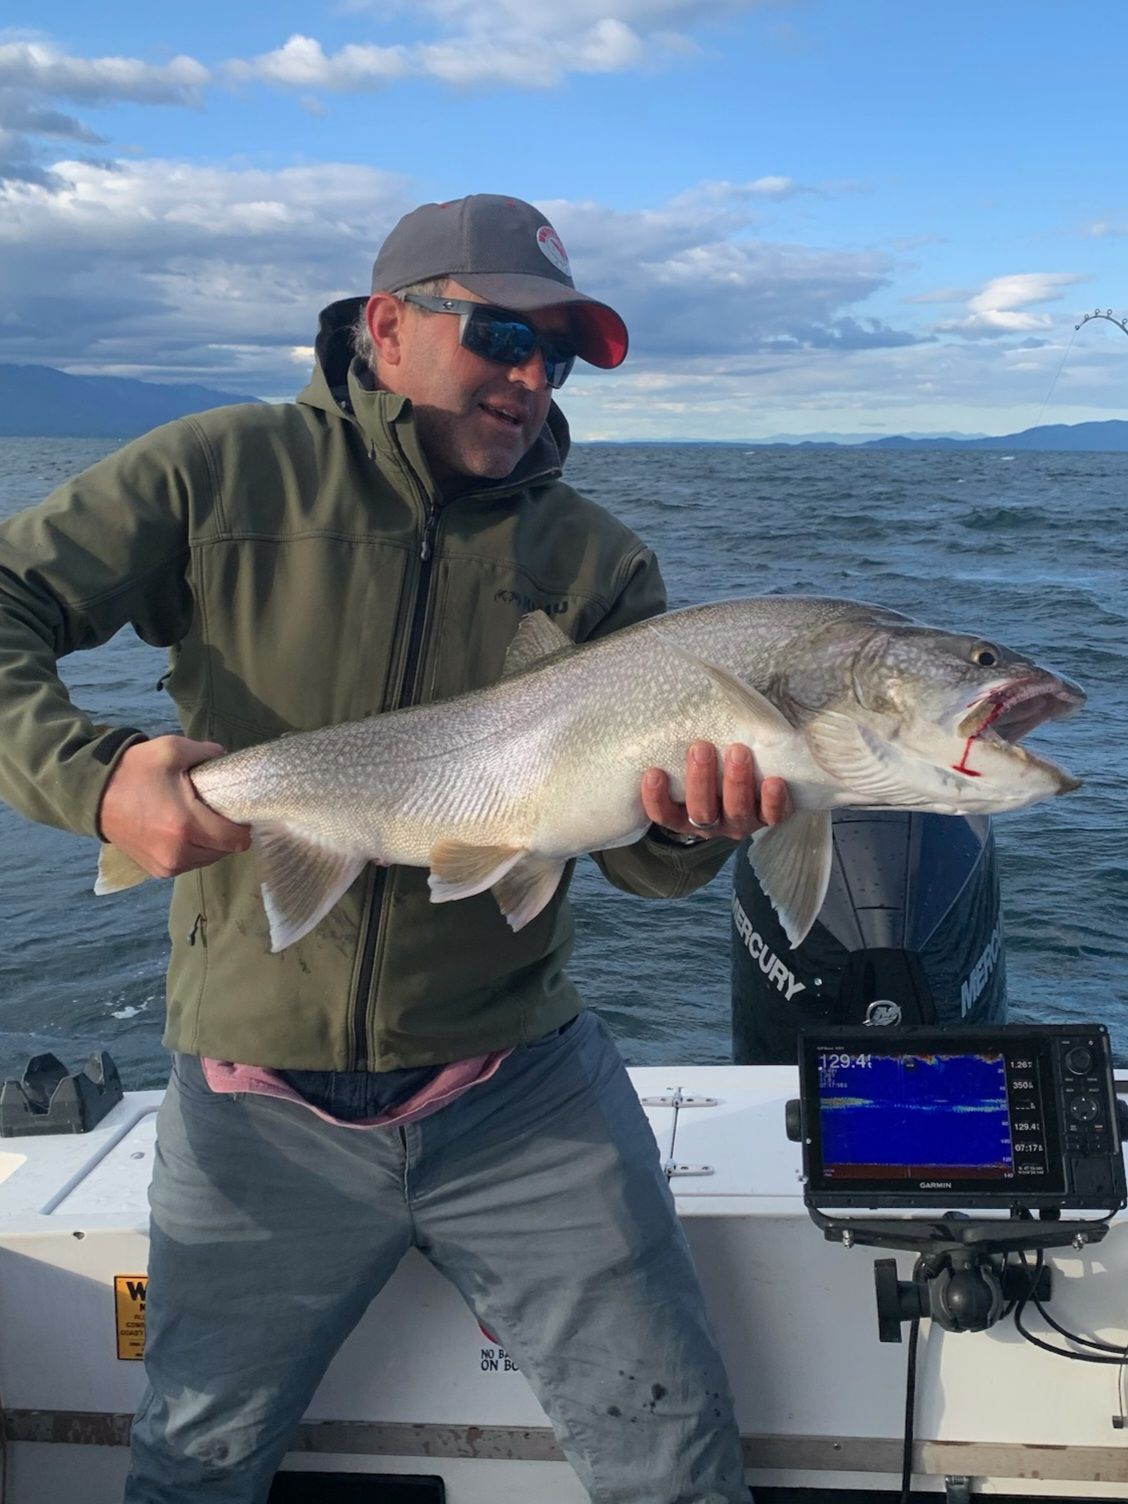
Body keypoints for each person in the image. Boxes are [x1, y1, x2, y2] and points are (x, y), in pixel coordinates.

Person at [0, 193, 790, 1503]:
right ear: (386, 327)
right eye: (503, 335)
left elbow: (642, 864)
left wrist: (690, 822)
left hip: (523, 1089)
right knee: (191, 1468)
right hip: (254, 1103)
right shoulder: (221, 472)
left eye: (560, 355)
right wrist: (93, 781)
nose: (532, 378)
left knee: (676, 1457)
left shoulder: (598, 562)